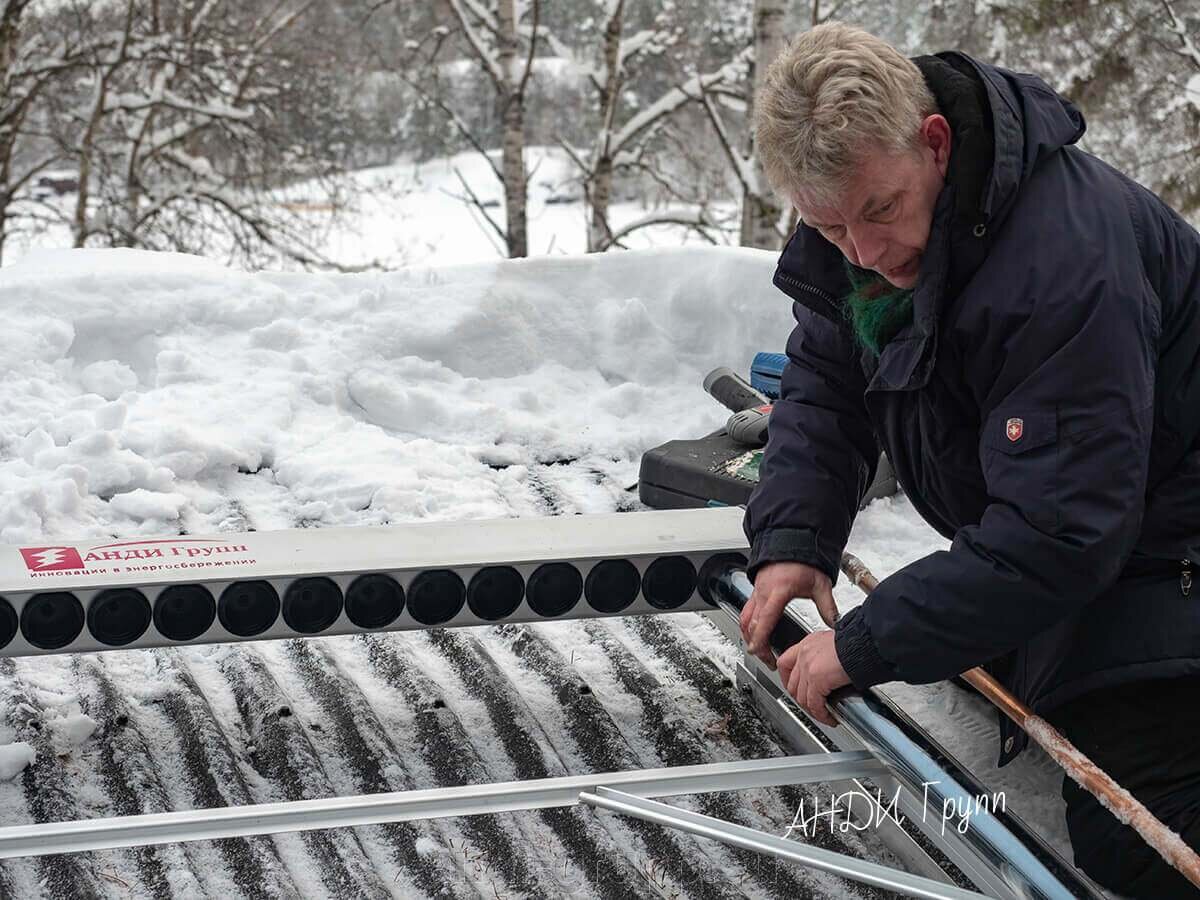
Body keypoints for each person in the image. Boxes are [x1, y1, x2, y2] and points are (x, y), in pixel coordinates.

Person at [739, 22, 1200, 897]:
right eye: (828, 227)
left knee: (1140, 832)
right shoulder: (876, 218)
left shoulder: (1066, 266)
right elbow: (828, 382)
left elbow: (1063, 535)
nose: (864, 254)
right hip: (1106, 542)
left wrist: (865, 643)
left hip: (1170, 558)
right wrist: (796, 534)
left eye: (877, 211)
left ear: (936, 142)